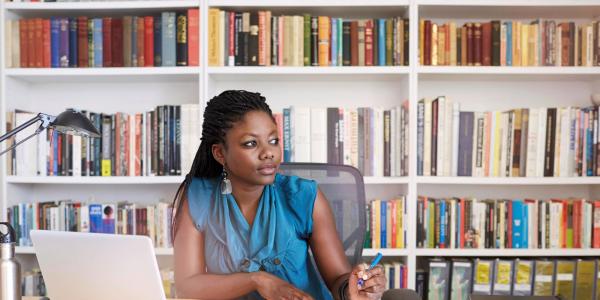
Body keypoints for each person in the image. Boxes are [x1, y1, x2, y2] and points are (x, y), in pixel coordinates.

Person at [171, 90, 386, 300]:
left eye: (273, 140)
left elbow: (338, 281)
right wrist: (257, 280)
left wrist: (353, 289)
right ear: (220, 153)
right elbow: (186, 287)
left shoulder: (305, 197)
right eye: (251, 143)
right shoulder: (198, 198)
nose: (269, 152)